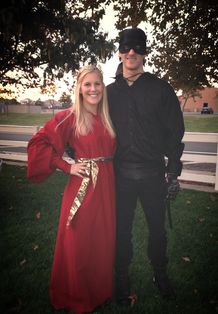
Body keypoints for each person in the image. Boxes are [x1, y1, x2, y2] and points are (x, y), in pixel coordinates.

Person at [27, 65, 116, 314]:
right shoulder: (69, 116)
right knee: (80, 243)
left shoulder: (108, 116)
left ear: (103, 87)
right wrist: (66, 167)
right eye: (87, 84)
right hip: (83, 187)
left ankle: (99, 292)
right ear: (79, 88)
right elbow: (40, 142)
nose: (93, 89)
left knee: (101, 241)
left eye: (97, 83)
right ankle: (76, 297)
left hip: (107, 188)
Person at [107, 28, 185, 306]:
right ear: (119, 52)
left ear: (144, 53)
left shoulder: (161, 89)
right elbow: (86, 121)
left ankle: (160, 274)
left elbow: (175, 132)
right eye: (127, 47)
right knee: (121, 231)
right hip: (120, 176)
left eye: (137, 47)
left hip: (153, 174)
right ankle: (121, 277)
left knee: (157, 230)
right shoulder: (108, 93)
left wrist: (173, 172)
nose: (132, 52)